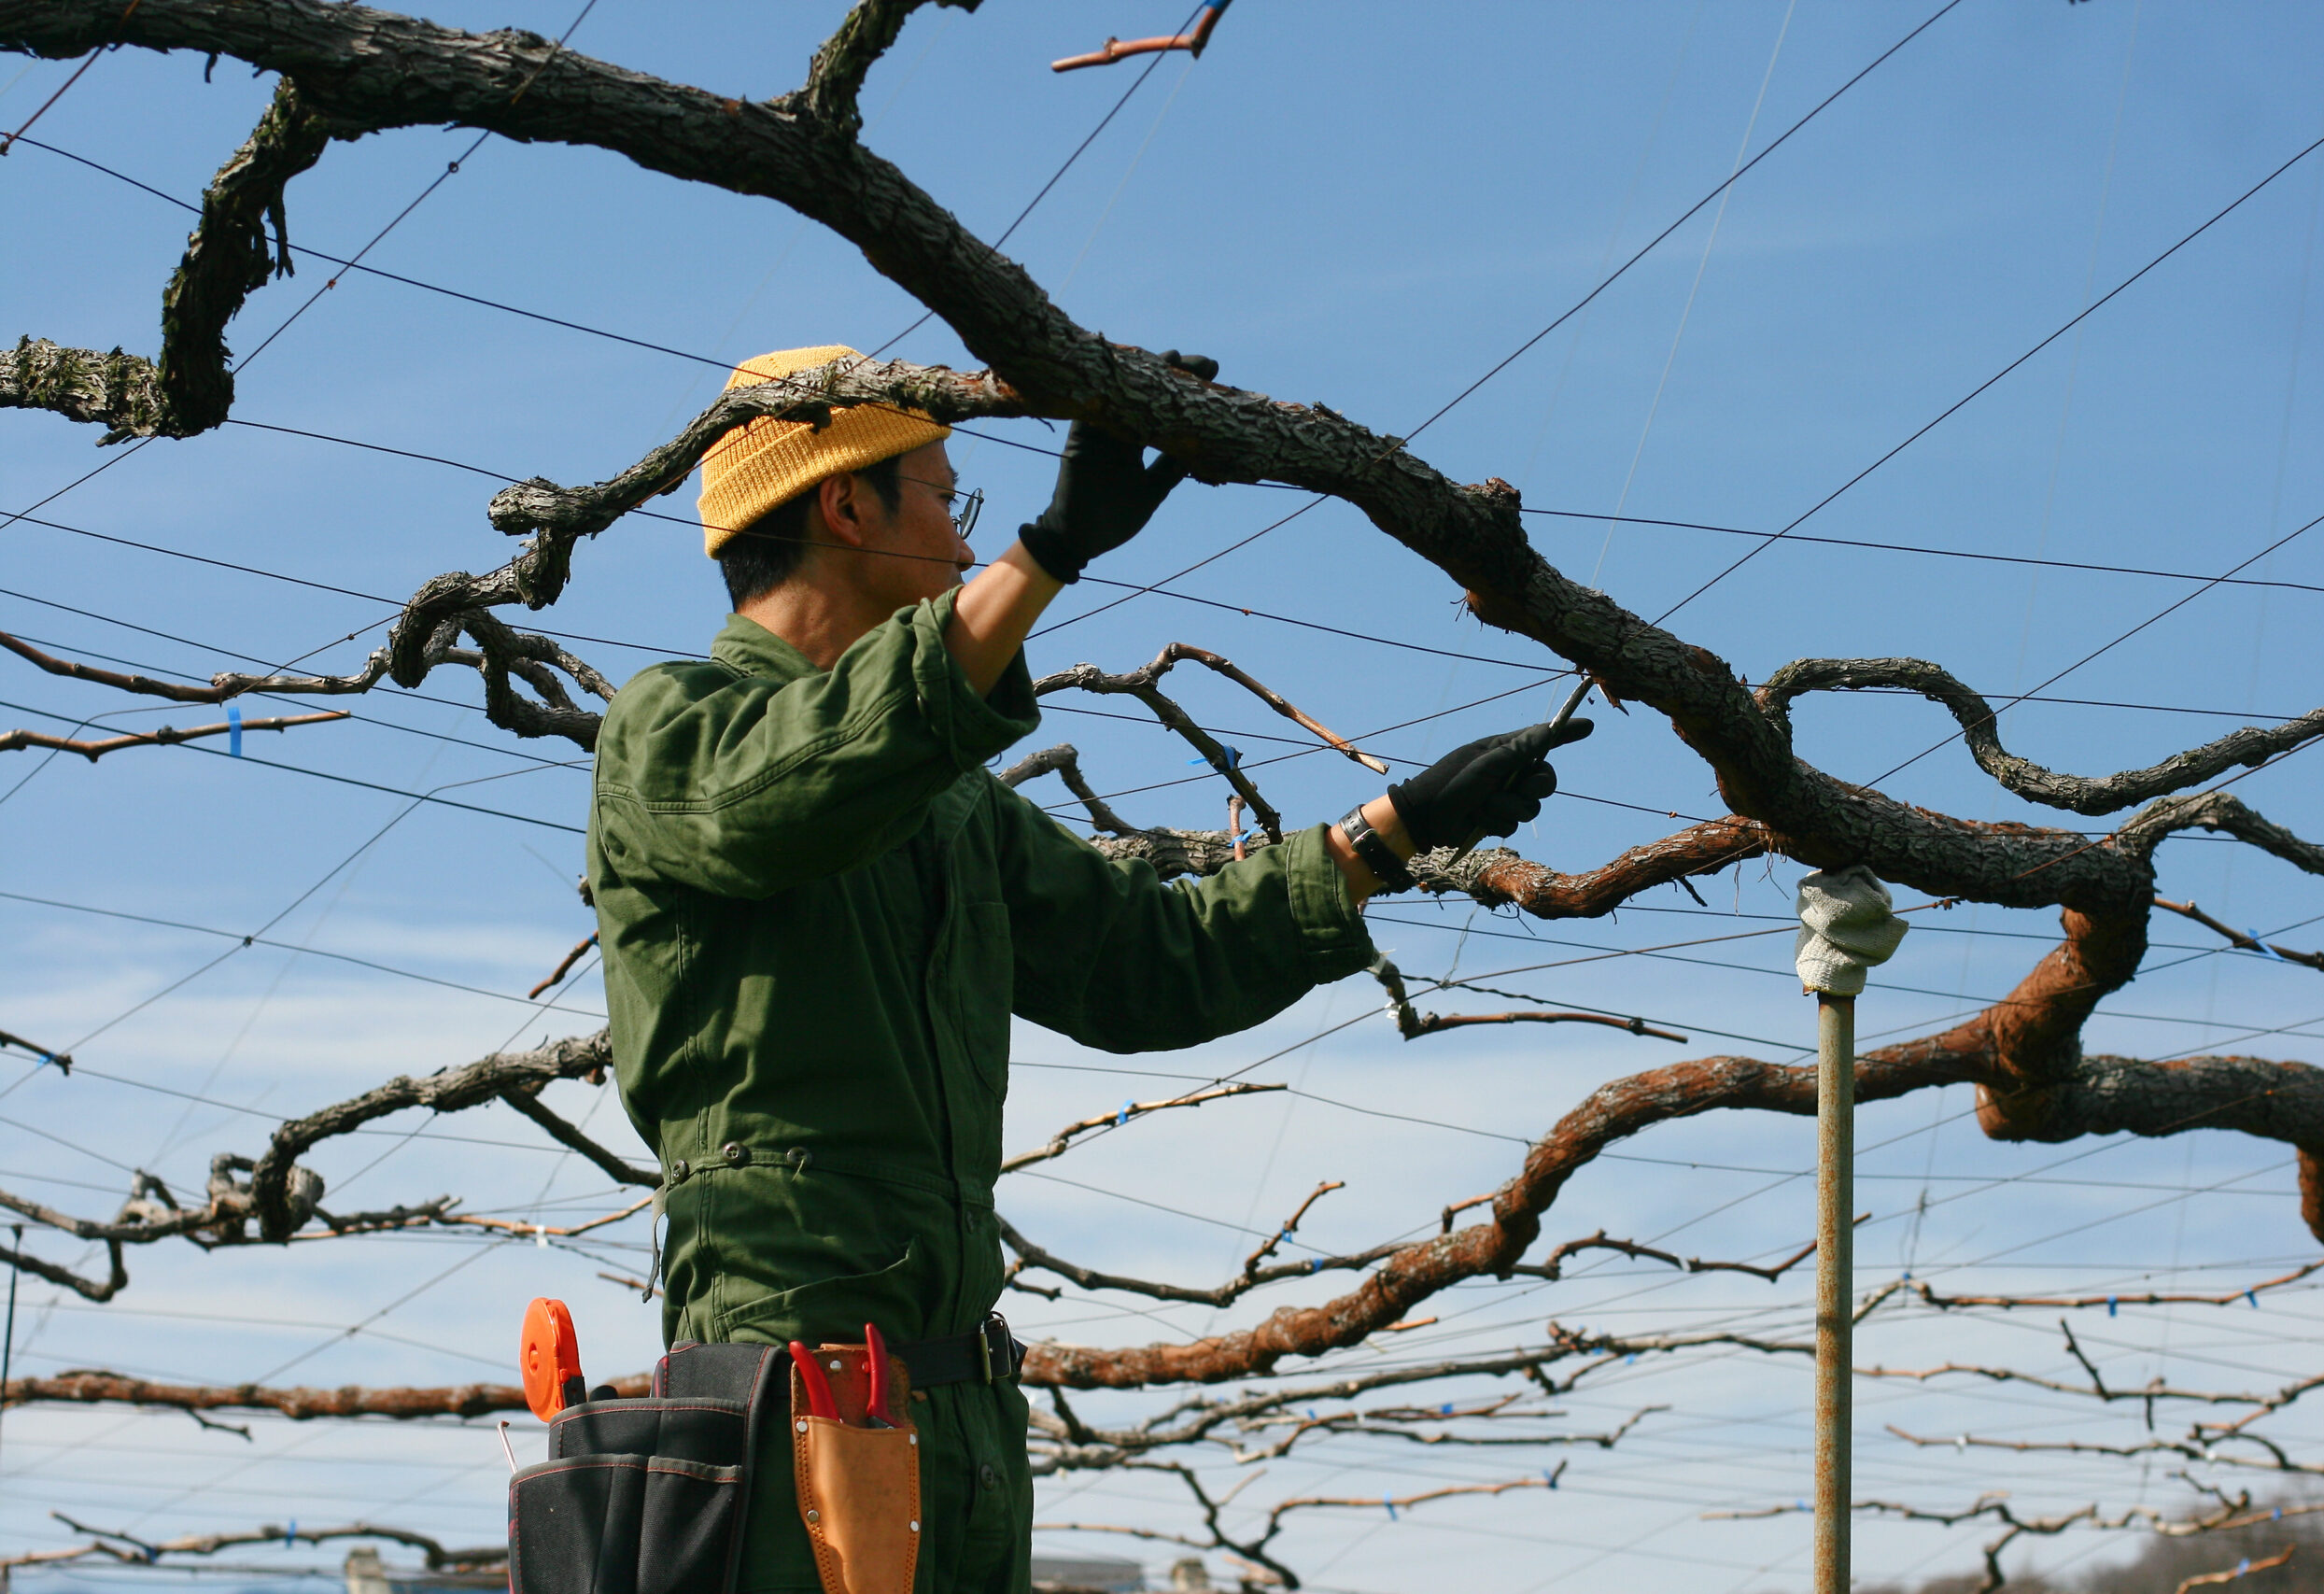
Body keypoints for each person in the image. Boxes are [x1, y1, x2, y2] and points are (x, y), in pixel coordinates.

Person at [586, 346, 1591, 1593]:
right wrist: (1048, 551)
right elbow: (794, 788)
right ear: (846, 505)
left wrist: (1390, 835)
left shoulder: (947, 802)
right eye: (947, 504)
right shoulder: (670, 731)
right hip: (790, 1384)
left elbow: (1147, 962)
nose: (965, 548)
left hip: (957, 1410)